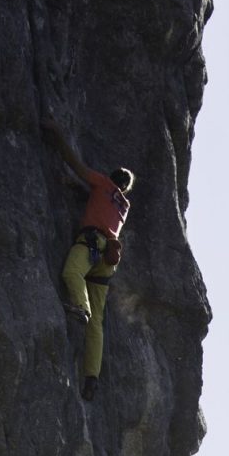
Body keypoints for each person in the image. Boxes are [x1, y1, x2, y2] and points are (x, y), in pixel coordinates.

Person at [43, 119, 134, 401]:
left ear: (110, 177)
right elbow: (98, 201)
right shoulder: (123, 204)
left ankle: (79, 307)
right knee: (98, 323)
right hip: (108, 258)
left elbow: (78, 166)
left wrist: (57, 137)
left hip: (93, 243)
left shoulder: (102, 183)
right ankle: (92, 376)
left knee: (72, 273)